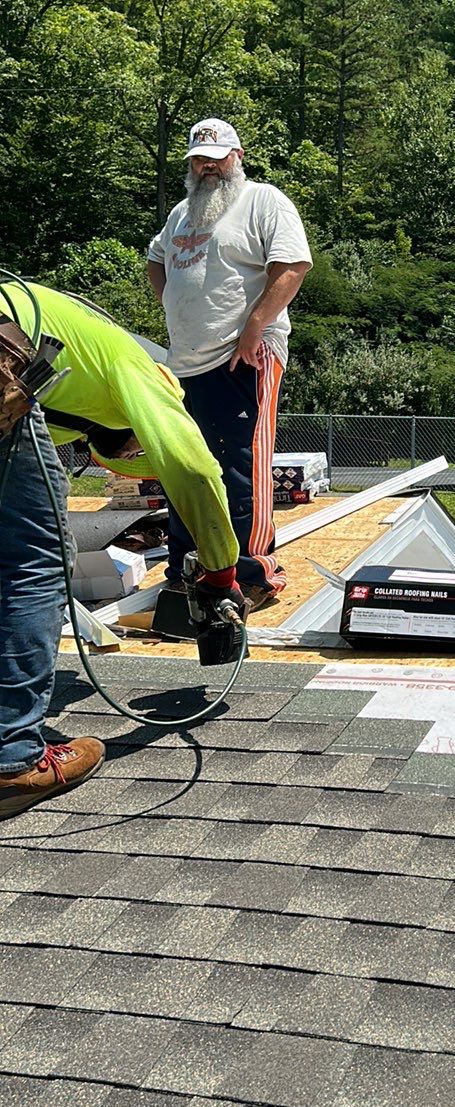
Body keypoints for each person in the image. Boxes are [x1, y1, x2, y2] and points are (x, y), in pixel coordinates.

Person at [0, 281, 243, 819]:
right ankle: (12, 761)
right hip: (0, 353)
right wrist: (221, 573)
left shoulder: (70, 397)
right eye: (140, 448)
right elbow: (195, 470)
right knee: (35, 563)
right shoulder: (140, 366)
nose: (137, 454)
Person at [147, 118, 312, 610]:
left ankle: (253, 573)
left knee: (241, 465)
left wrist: (255, 327)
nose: (208, 167)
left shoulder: (264, 201)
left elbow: (293, 266)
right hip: (186, 362)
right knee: (188, 468)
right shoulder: (181, 214)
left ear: (237, 157)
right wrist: (173, 306)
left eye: (217, 157)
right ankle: (187, 569)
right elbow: (155, 259)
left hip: (244, 356)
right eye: (199, 159)